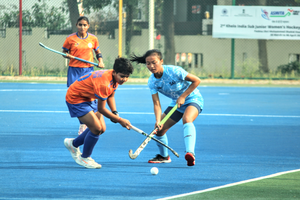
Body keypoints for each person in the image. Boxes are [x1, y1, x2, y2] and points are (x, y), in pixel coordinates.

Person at [131, 50, 203, 166]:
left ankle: (190, 153)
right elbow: (156, 104)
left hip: (192, 99)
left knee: (187, 119)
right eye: (148, 63)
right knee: (159, 130)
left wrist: (183, 96)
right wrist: (158, 120)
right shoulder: (152, 81)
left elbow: (196, 80)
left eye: (154, 62)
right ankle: (164, 156)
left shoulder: (174, 71)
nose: (151, 66)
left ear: (161, 61)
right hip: (176, 104)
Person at [64, 57, 133, 169]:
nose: (124, 79)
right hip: (76, 99)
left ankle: (73, 144)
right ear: (115, 72)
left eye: (127, 77)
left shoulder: (114, 77)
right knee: (96, 128)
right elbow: (101, 109)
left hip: (88, 98)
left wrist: (115, 113)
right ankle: (85, 158)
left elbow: (111, 96)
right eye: (122, 76)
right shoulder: (104, 83)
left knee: (102, 129)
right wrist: (120, 120)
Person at [62, 16, 105, 135]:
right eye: (80, 25)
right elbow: (64, 52)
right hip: (74, 71)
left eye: (85, 25)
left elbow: (98, 52)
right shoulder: (70, 38)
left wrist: (100, 61)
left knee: (90, 96)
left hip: (88, 70)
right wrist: (67, 55)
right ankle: (82, 124)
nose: (82, 27)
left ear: (88, 26)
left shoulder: (93, 38)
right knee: (76, 96)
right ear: (76, 25)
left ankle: (93, 120)